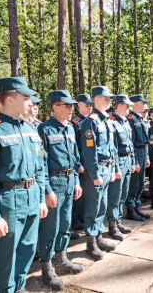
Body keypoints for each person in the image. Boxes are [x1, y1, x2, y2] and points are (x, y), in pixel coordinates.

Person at [0, 76, 48, 293]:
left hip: (33, 197)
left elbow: (40, 168)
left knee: (27, 251)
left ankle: (19, 288)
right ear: (11, 98)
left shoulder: (31, 129)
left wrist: (41, 198)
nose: (31, 103)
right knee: (5, 261)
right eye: (26, 98)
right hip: (9, 201)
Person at [38, 90, 83, 290]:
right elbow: (41, 163)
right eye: (67, 105)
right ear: (55, 107)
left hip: (69, 180)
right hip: (54, 183)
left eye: (72, 105)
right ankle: (46, 267)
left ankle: (61, 259)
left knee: (65, 224)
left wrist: (77, 181)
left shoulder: (70, 128)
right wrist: (47, 190)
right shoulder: (44, 129)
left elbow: (75, 158)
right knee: (50, 227)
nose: (71, 108)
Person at [80, 86, 117, 260]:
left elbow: (111, 148)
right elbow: (89, 151)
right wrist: (95, 175)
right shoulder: (91, 121)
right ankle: (90, 242)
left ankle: (99, 236)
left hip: (107, 167)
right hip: (97, 169)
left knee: (103, 204)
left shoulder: (107, 120)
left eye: (109, 98)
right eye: (105, 98)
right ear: (96, 99)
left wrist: (111, 169)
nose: (109, 100)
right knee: (93, 206)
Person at [107, 95, 135, 240]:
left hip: (127, 159)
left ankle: (118, 221)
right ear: (119, 105)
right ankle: (112, 225)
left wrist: (132, 161)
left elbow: (130, 143)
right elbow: (113, 149)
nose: (129, 108)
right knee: (115, 195)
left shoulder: (126, 122)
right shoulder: (112, 123)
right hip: (119, 161)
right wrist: (116, 168)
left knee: (123, 193)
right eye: (127, 105)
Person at [125, 94, 150, 221]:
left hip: (142, 152)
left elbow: (145, 140)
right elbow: (132, 142)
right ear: (136, 104)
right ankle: (130, 209)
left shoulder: (139, 118)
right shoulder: (131, 119)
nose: (144, 105)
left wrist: (146, 157)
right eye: (142, 103)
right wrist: (134, 162)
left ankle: (137, 206)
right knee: (134, 183)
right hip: (135, 153)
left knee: (140, 183)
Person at [70, 93, 93, 231]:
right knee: (80, 192)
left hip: (90, 162)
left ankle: (83, 214)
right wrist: (79, 164)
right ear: (79, 106)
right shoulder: (75, 122)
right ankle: (75, 217)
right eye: (86, 105)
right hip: (81, 162)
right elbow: (75, 146)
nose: (89, 107)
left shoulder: (91, 120)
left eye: (90, 105)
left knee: (88, 192)